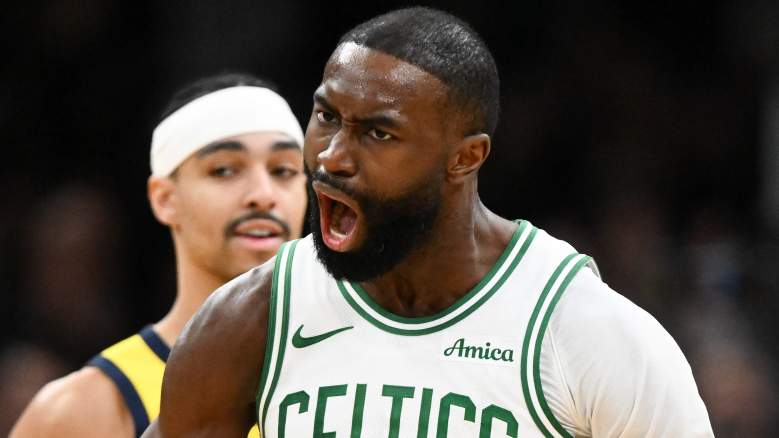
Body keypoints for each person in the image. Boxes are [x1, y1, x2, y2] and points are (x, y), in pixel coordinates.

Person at [144, 8, 714, 437]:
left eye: (378, 133)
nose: (333, 156)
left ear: (466, 158)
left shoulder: (583, 329)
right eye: (326, 116)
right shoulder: (254, 317)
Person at [11, 73, 308, 438]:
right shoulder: (83, 410)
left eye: (284, 171)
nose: (263, 194)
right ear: (165, 199)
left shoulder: (363, 367)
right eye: (225, 170)